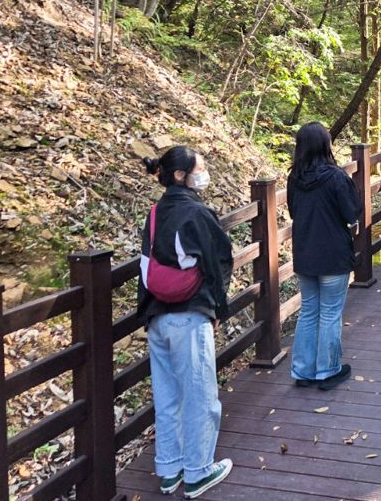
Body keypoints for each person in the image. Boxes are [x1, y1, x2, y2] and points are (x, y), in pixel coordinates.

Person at [139, 147, 233, 499]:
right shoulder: (196, 212)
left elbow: (148, 265)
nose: (204, 173)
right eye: (201, 168)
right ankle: (198, 472)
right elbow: (220, 259)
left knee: (167, 396)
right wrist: (217, 309)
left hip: (157, 316)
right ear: (181, 175)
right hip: (189, 316)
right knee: (200, 395)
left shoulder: (154, 212)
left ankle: (169, 469)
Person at [287, 122, 362, 390]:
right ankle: (327, 370)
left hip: (305, 252)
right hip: (333, 253)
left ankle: (303, 370)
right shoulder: (336, 177)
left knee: (308, 311)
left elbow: (294, 212)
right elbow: (351, 213)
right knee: (330, 313)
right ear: (325, 145)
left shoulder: (294, 177)